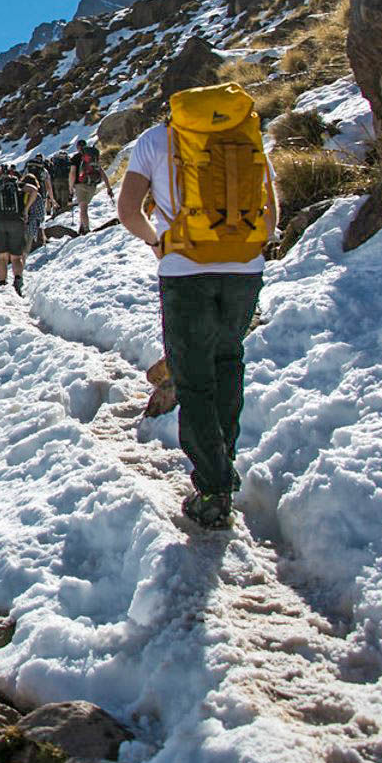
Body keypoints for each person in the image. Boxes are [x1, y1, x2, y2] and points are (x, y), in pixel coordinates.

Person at [115, 83, 278, 530]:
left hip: (186, 270)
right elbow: (270, 209)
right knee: (228, 360)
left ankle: (212, 488)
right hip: (245, 267)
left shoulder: (155, 140)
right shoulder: (246, 134)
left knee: (194, 380)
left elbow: (128, 210)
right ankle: (224, 463)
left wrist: (158, 244)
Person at [0, 160, 37, 294]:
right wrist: (26, 209)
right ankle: (18, 280)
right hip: (17, 221)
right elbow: (34, 190)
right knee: (16, 257)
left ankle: (3, 284)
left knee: (2, 257)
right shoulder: (18, 185)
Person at [69, 139, 113, 236]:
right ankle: (82, 226)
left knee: (83, 207)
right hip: (92, 185)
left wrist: (70, 188)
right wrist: (108, 187)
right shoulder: (93, 157)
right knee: (84, 206)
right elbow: (101, 172)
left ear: (77, 147)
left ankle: (86, 229)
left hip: (80, 185)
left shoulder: (76, 158)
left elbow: (72, 174)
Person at [21, 156, 53, 251]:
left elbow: (22, 179)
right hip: (40, 195)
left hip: (24, 195)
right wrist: (52, 199)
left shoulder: (28, 168)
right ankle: (41, 238)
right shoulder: (43, 170)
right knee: (39, 217)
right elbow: (48, 186)